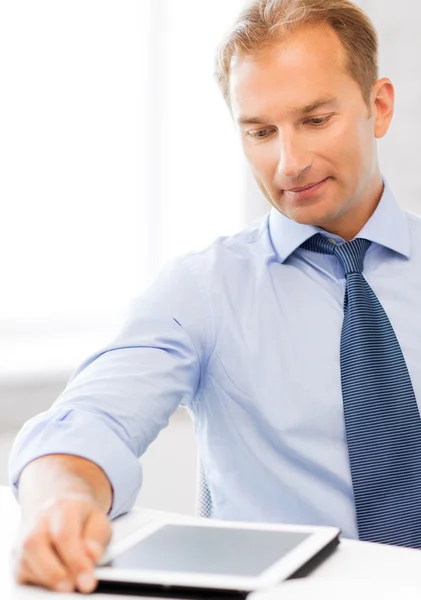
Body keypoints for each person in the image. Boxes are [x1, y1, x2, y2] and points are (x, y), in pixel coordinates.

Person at [9, 0, 421, 593]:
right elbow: (89, 421)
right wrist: (59, 499)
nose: (290, 162)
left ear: (377, 107)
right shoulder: (204, 289)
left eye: (315, 119)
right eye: (260, 131)